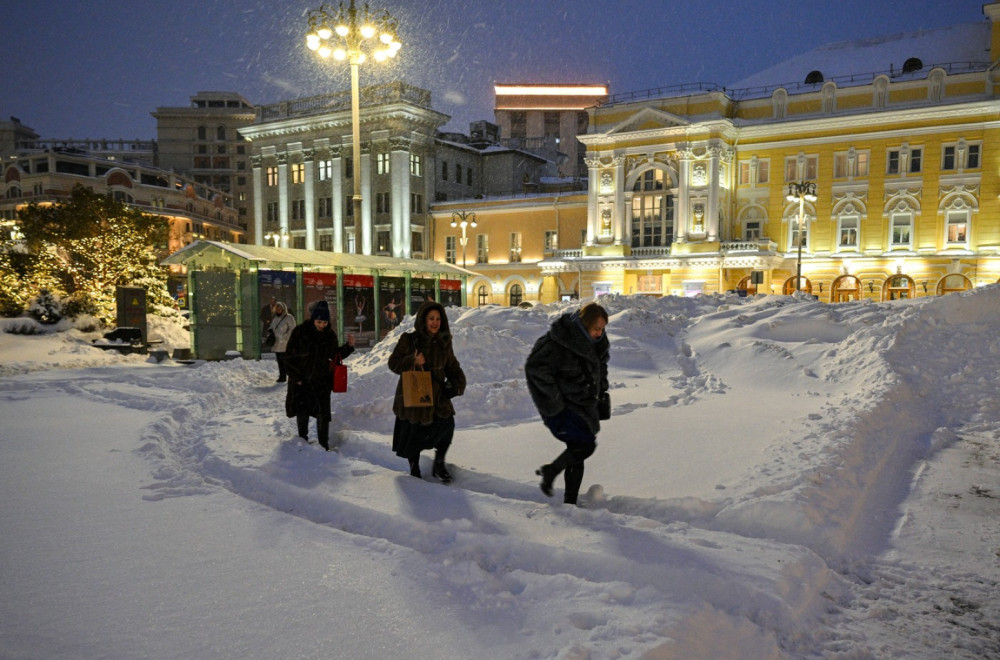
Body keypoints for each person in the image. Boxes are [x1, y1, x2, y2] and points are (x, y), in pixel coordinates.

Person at [525, 302, 610, 505]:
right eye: (596, 328)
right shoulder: (557, 342)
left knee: (578, 451)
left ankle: (569, 500)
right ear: (584, 324)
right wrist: (554, 400)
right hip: (563, 407)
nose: (600, 333)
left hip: (584, 404)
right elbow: (535, 368)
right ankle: (551, 472)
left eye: (603, 329)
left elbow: (600, 368)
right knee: (584, 445)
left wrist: (601, 391)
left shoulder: (596, 342)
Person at [387, 301, 466, 482]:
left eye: (438, 319)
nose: (435, 322)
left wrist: (458, 383)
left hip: (437, 395)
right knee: (414, 433)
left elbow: (452, 366)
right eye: (431, 318)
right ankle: (414, 467)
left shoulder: (444, 342)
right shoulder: (409, 340)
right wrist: (412, 360)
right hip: (415, 394)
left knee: (447, 425)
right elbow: (393, 364)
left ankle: (439, 463)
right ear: (423, 320)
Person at [284, 300, 354, 451]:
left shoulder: (330, 335)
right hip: (302, 380)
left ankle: (324, 444)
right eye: (319, 321)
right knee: (302, 412)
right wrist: (296, 377)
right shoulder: (300, 331)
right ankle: (302, 442)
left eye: (325, 322)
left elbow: (335, 356)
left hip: (322, 381)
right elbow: (289, 356)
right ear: (313, 319)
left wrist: (348, 347)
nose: (322, 325)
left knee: (323, 414)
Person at [268, 301, 295, 383]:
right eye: (277, 308)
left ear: (283, 309)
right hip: (277, 343)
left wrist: (285, 338)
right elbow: (272, 326)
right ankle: (282, 376)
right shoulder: (276, 318)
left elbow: (292, 329)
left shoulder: (289, 317)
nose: (278, 310)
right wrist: (270, 329)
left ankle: (292, 376)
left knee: (286, 361)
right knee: (280, 361)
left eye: (280, 308)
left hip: (285, 343)